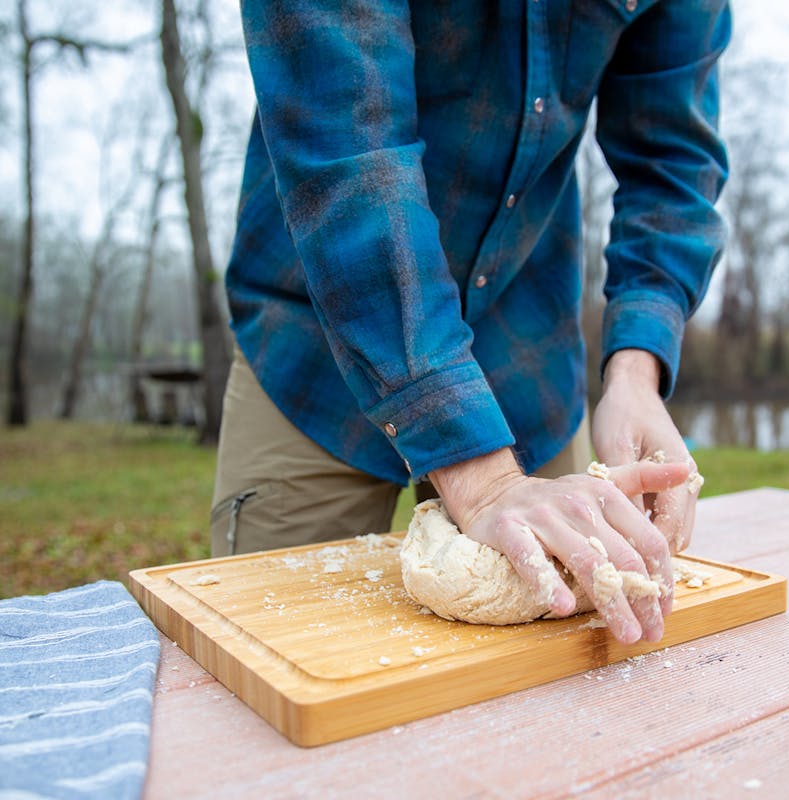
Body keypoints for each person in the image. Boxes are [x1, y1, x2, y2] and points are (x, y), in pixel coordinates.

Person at [211, 0, 731, 646]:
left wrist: (636, 373)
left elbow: (672, 167)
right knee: (274, 654)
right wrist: (483, 485)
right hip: (316, 356)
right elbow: (349, 157)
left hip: (524, 354)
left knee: (556, 675)